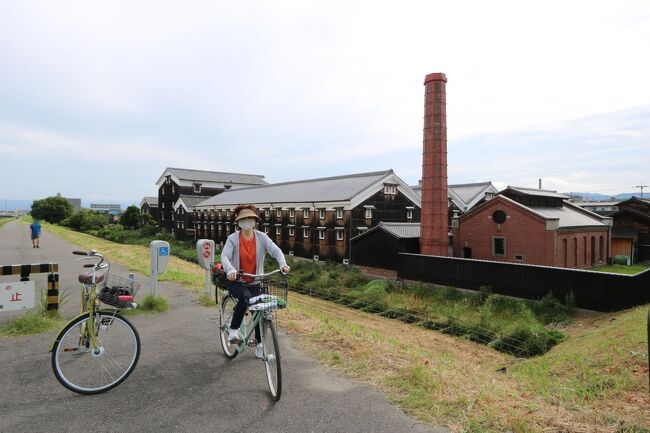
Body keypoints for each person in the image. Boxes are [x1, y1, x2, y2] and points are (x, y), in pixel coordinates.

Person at [221, 205, 290, 359]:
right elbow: (225, 256)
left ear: (255, 220)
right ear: (238, 222)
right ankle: (233, 331)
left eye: (250, 218)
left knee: (261, 311)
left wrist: (282, 264)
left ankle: (260, 346)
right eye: (243, 219)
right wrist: (231, 270)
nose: (247, 221)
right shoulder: (232, 239)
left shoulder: (261, 237)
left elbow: (276, 250)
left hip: (255, 281)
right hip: (236, 280)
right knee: (245, 298)